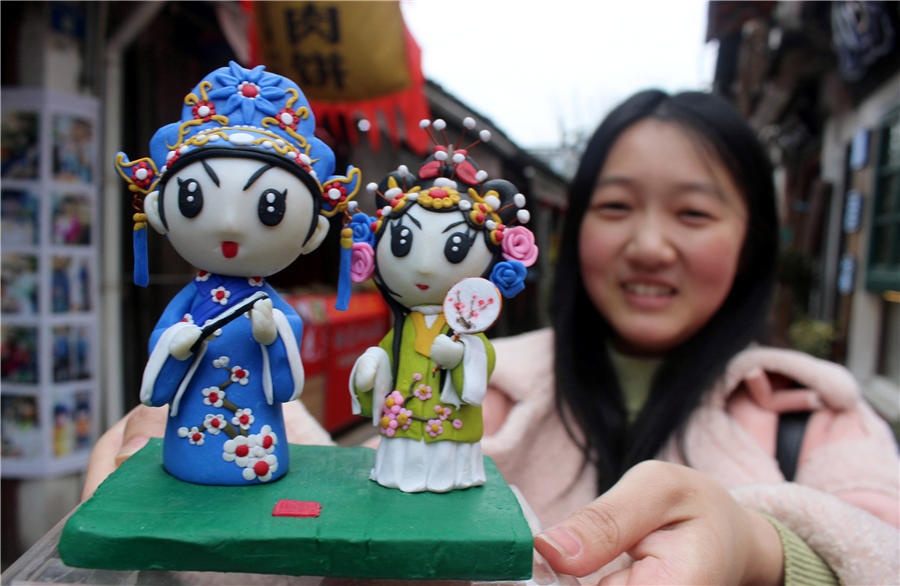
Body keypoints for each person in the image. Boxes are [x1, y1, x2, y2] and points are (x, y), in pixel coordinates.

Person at [83, 90, 899, 584]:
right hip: (301, 442)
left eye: (693, 211)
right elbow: (338, 471)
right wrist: (193, 492)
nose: (650, 245)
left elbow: (879, 547)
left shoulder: (813, 413)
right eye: (616, 207)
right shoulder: (512, 368)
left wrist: (763, 553)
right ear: (570, 230)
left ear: (755, 236)